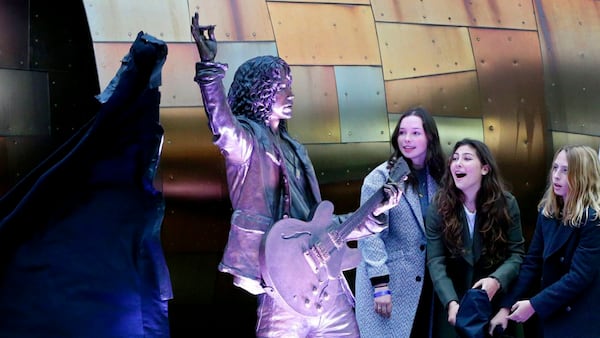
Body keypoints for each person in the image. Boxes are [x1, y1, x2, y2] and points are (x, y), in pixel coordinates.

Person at [190, 12, 402, 337]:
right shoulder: (248, 142)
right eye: (281, 88)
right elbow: (223, 127)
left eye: (290, 87)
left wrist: (378, 210)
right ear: (262, 91)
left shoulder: (295, 149)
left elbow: (318, 224)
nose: (290, 95)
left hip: (326, 290)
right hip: (279, 284)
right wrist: (209, 69)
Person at [489, 144, 600, 338]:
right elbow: (532, 263)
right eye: (555, 168)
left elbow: (578, 277)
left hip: (579, 319)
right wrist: (506, 307)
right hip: (549, 315)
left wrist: (534, 305)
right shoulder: (547, 213)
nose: (556, 175)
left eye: (566, 171)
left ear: (583, 176)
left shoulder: (593, 220)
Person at [354, 107, 446, 337]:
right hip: (389, 285)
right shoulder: (382, 177)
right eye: (402, 132)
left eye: (415, 133)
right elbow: (369, 234)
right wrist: (380, 285)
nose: (407, 139)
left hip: (428, 285)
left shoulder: (440, 177)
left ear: (430, 137)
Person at [425, 138, 525, 338]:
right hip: (456, 302)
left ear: (485, 169)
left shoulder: (507, 203)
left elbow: (517, 254)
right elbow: (436, 260)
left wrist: (497, 281)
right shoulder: (438, 205)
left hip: (496, 304)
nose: (458, 163)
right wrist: (451, 302)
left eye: (467, 158)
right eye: (455, 159)